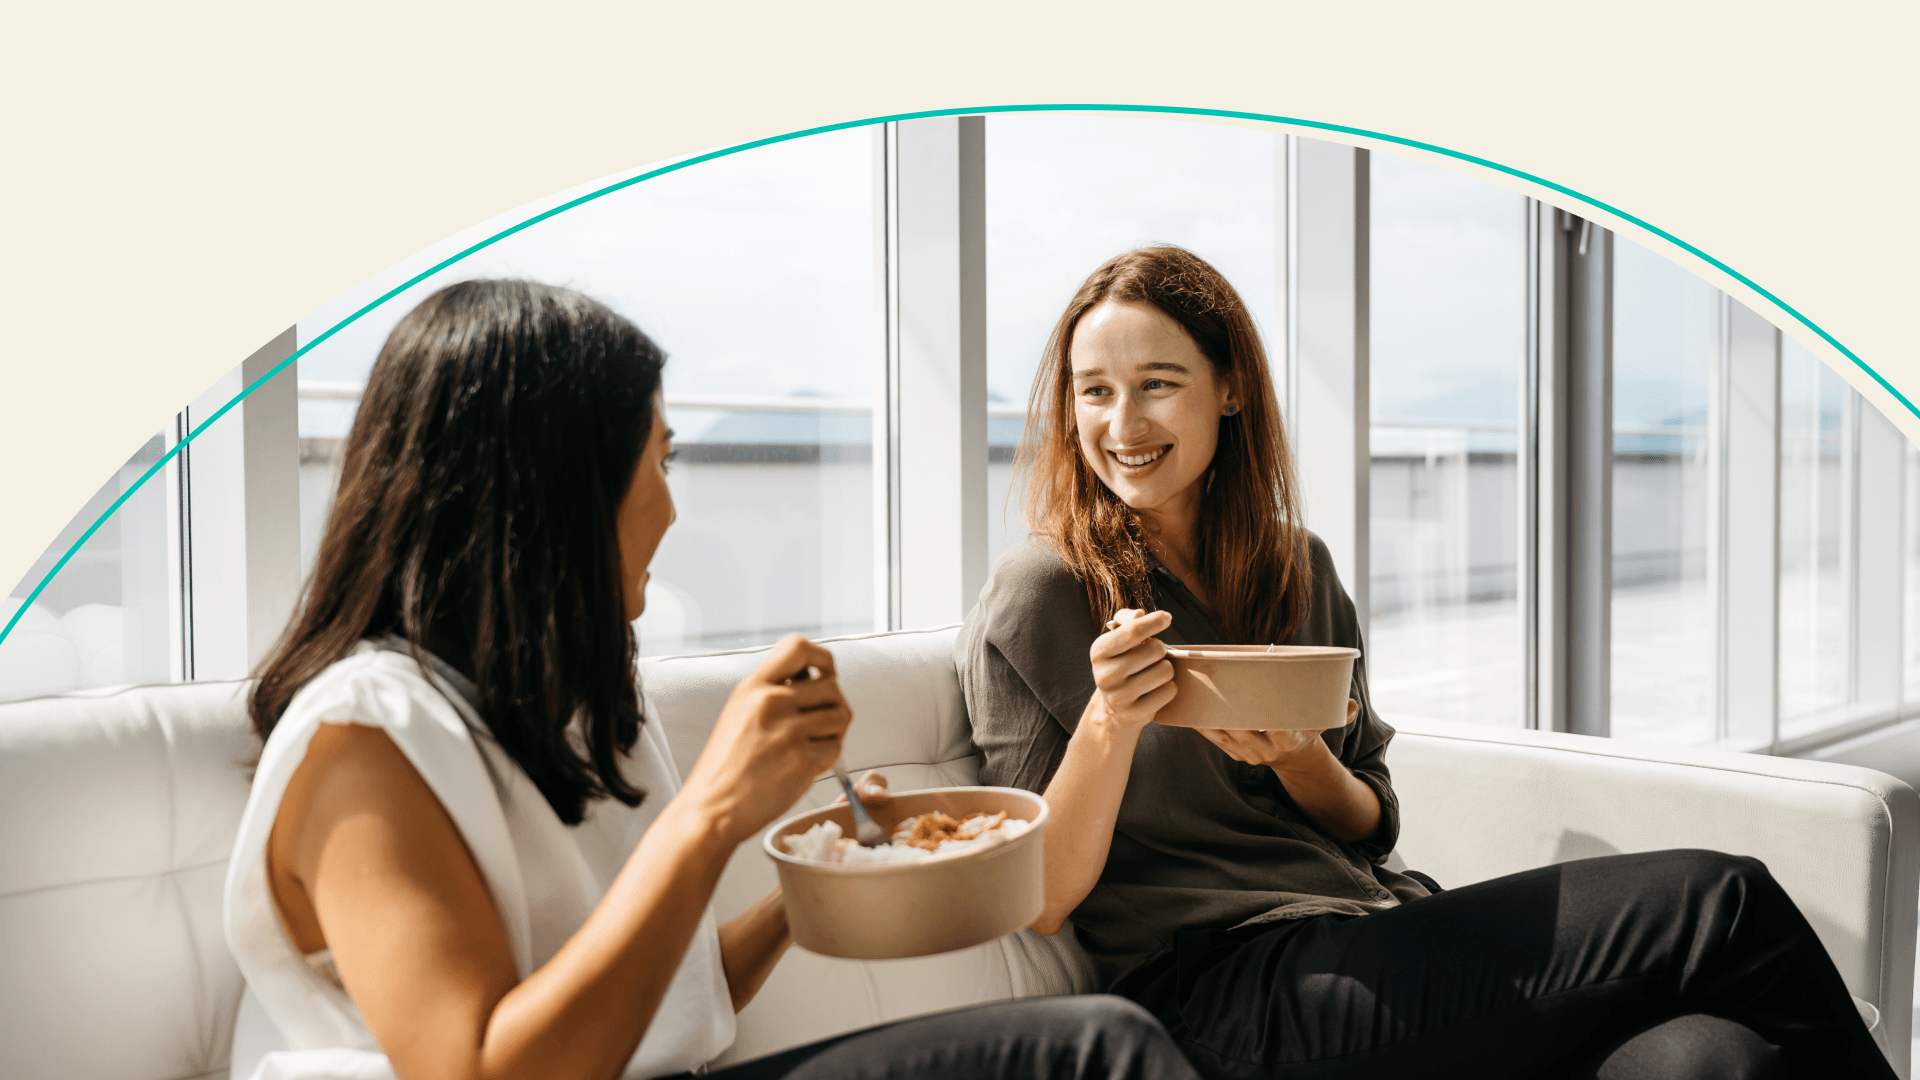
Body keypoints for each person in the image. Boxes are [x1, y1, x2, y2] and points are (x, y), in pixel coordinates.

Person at [225, 279, 1205, 1080]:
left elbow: (664, 1007)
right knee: (1098, 1055)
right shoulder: (363, 742)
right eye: (660, 458)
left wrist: (831, 878)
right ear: (557, 491)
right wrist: (713, 815)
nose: (673, 506)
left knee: (1097, 1044)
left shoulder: (570, 708)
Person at [956, 246, 1896, 1080]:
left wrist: (1296, 757)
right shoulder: (1045, 590)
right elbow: (1038, 898)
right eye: (1093, 390)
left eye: (1157, 382)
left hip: (1376, 932)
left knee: (1713, 1059)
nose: (1122, 421)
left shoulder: (1293, 568)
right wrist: (1112, 722)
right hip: (1225, 992)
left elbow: (1368, 817)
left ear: (1229, 387)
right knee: (1720, 897)